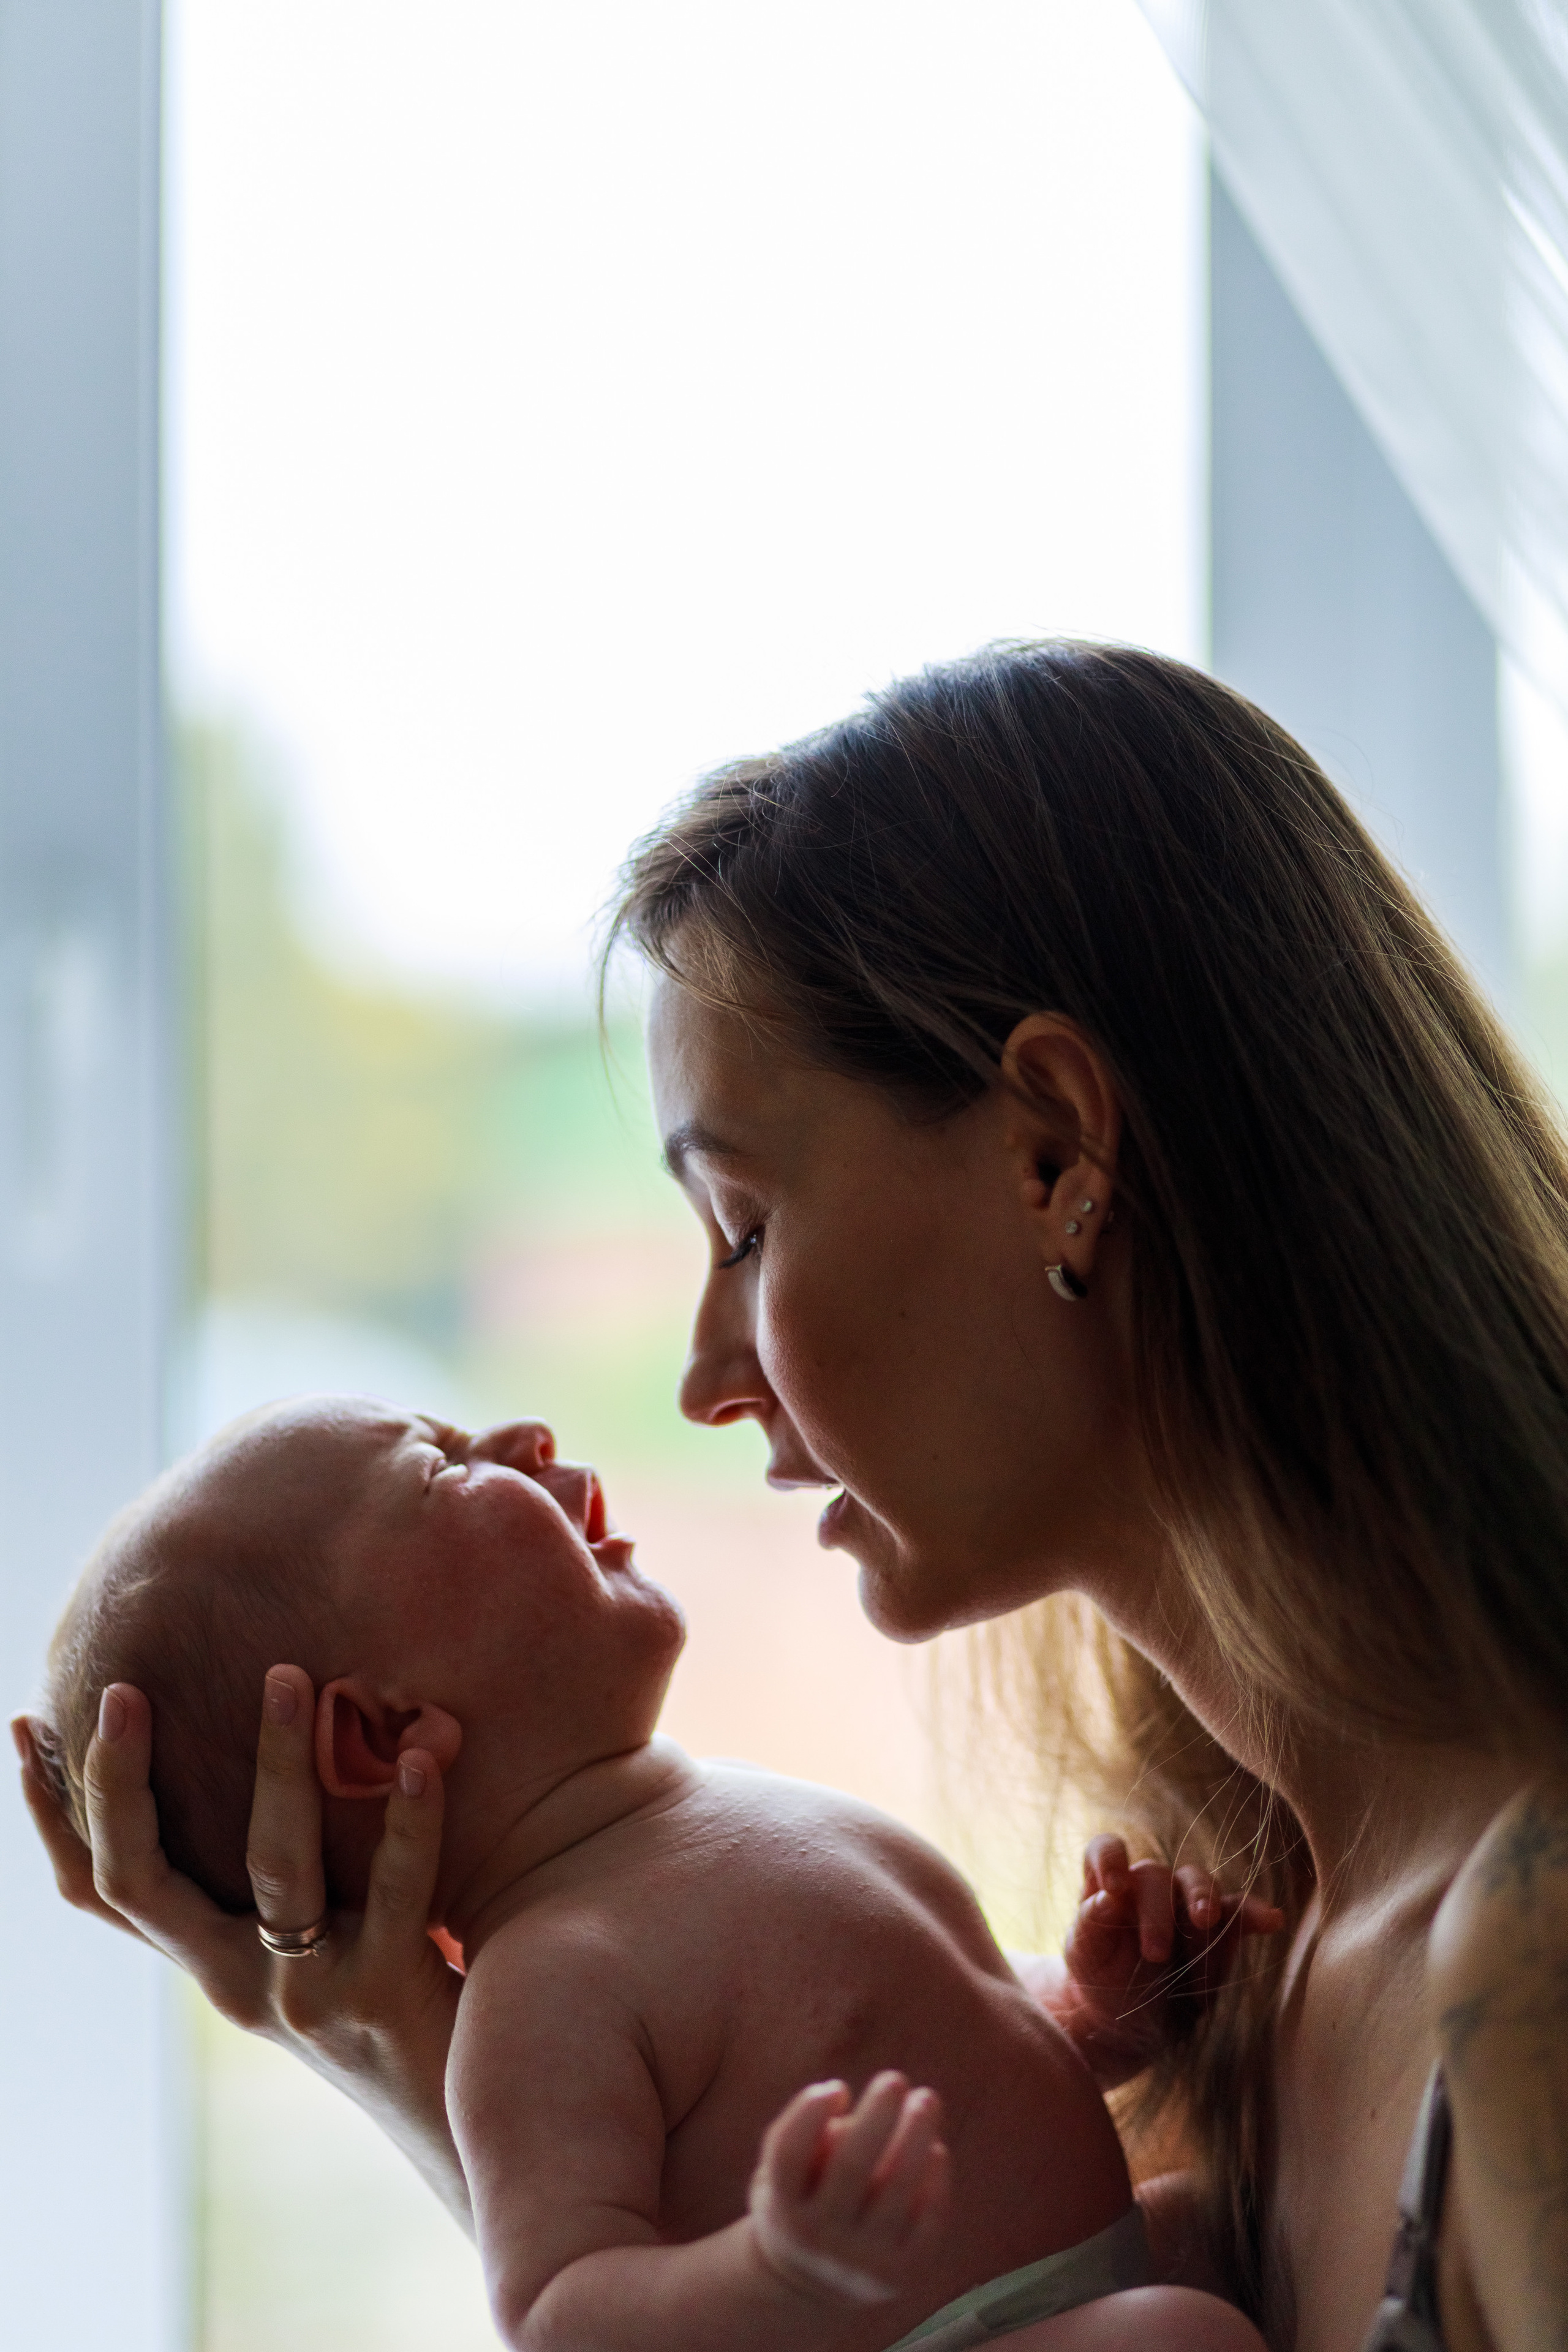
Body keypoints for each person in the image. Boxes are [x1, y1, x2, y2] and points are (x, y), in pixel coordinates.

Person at [17, 642, 1567, 2348]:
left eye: (744, 1228)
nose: (701, 1373)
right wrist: (431, 2080)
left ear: (1055, 1156)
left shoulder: (1530, 1954)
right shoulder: (1248, 1950)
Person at [32, 1393, 1263, 2352]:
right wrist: (775, 2272)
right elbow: (561, 2307)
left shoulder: (708, 1815)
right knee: (1184, 2333)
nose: (525, 1433)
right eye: (445, 1465)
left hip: (1050, 2289)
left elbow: (936, 2054)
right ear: (380, 1736)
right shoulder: (545, 1991)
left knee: (1216, 2231)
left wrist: (1098, 2008)